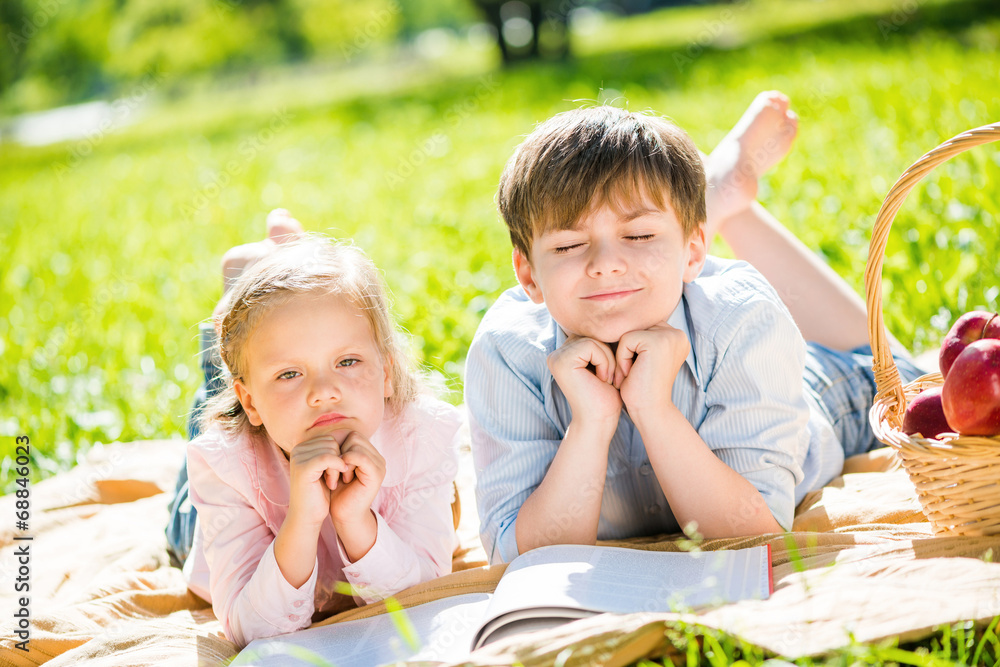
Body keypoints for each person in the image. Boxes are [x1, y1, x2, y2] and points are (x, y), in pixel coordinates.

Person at [465, 91, 926, 564]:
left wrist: (654, 409)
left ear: (693, 253)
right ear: (527, 275)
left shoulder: (740, 316)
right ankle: (713, 195)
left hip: (824, 396)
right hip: (690, 278)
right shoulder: (508, 352)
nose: (605, 264)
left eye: (639, 235)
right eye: (568, 245)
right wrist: (591, 423)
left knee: (897, 378)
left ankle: (718, 197)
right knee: (665, 227)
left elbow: (754, 534)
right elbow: (516, 555)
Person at [174, 233, 462, 646]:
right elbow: (248, 629)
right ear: (252, 402)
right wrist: (303, 520)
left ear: (385, 372)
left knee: (256, 348)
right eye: (289, 374)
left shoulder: (422, 436)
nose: (324, 391)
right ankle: (230, 310)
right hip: (209, 518)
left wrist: (354, 520)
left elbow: (422, 600)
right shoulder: (226, 465)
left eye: (347, 361)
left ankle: (274, 267)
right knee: (211, 406)